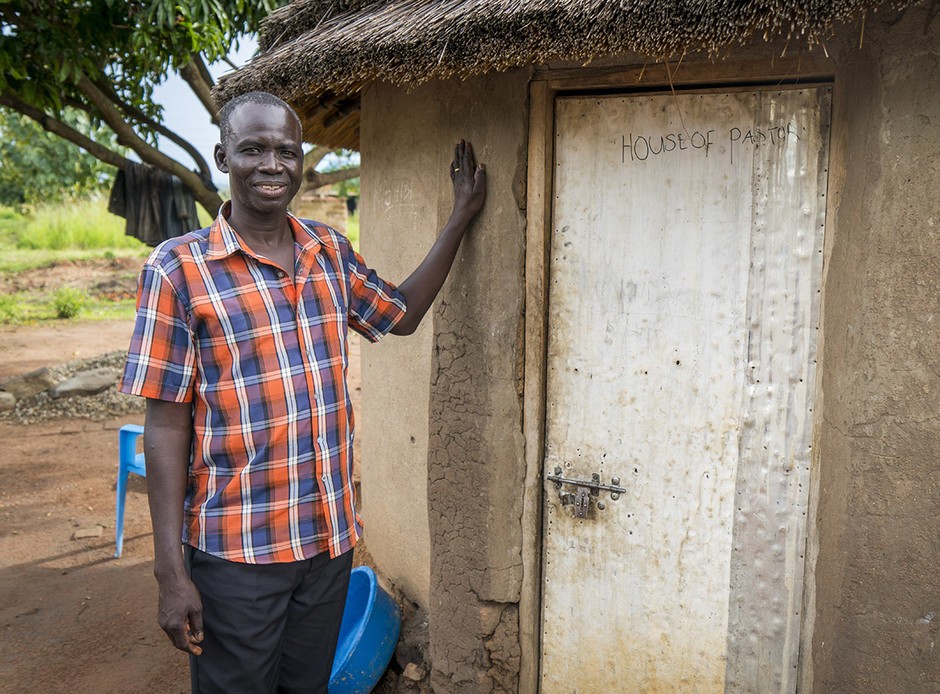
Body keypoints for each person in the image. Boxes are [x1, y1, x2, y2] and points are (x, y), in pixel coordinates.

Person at [119, 90, 485, 693]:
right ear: (221, 156)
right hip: (237, 551)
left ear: (301, 161)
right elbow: (164, 426)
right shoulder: (177, 270)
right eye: (253, 149)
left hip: (327, 541)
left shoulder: (328, 251)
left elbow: (401, 313)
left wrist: (459, 220)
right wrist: (169, 572)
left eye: (286, 151)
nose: (271, 164)